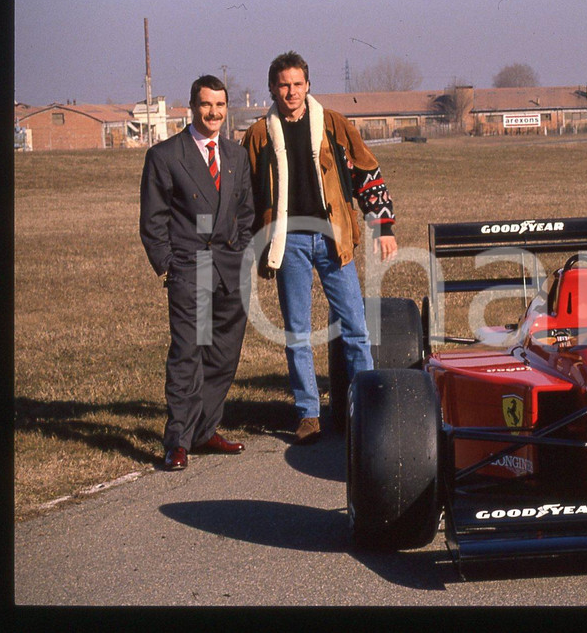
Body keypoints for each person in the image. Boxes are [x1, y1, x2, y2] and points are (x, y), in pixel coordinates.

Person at [242, 51, 397, 445]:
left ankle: (366, 410)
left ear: (307, 85)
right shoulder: (259, 134)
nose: (291, 92)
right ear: (273, 88)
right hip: (287, 241)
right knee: (297, 330)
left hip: (334, 238)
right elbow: (245, 194)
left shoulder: (333, 124)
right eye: (283, 85)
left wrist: (382, 225)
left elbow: (367, 172)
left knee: (355, 327)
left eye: (297, 84)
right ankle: (308, 414)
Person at [140, 75, 255, 470]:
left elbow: (245, 213)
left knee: (223, 355)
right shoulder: (166, 156)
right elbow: (152, 221)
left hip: (229, 268)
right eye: (206, 105)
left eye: (220, 105)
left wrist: (240, 253)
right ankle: (178, 440)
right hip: (193, 267)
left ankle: (205, 430)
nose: (214, 113)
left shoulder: (236, 155)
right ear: (192, 106)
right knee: (189, 354)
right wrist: (169, 265)